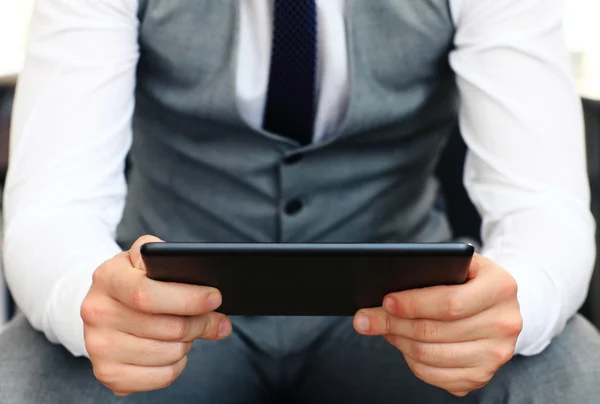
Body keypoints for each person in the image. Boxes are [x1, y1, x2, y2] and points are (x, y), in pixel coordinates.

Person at [1, 0, 600, 402]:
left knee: (569, 372)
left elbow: (543, 203)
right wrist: (90, 300)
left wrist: (513, 303)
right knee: (25, 376)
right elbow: (54, 200)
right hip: (169, 312)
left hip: (403, 315)